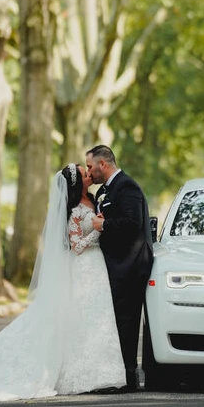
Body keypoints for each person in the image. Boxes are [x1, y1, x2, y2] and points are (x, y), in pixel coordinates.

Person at [0, 164, 126, 402]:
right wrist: (98, 229)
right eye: (84, 173)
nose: (89, 174)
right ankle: (82, 375)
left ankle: (103, 374)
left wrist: (100, 224)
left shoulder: (94, 199)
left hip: (97, 267)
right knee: (82, 317)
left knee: (98, 318)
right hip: (83, 266)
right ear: (77, 184)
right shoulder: (73, 209)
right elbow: (75, 246)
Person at [86, 145, 153, 392]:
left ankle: (128, 376)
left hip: (130, 263)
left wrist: (102, 225)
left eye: (91, 166)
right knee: (114, 320)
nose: (89, 172)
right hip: (115, 264)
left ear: (103, 164)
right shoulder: (105, 190)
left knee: (126, 321)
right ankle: (116, 373)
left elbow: (132, 223)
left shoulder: (128, 187)